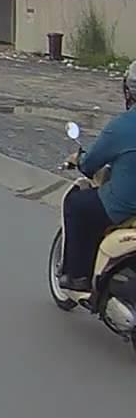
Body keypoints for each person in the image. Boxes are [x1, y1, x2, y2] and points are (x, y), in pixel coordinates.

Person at [58, 109, 136, 291]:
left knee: (76, 204)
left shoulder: (123, 125)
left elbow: (89, 163)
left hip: (122, 207)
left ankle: (77, 276)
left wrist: (78, 158)